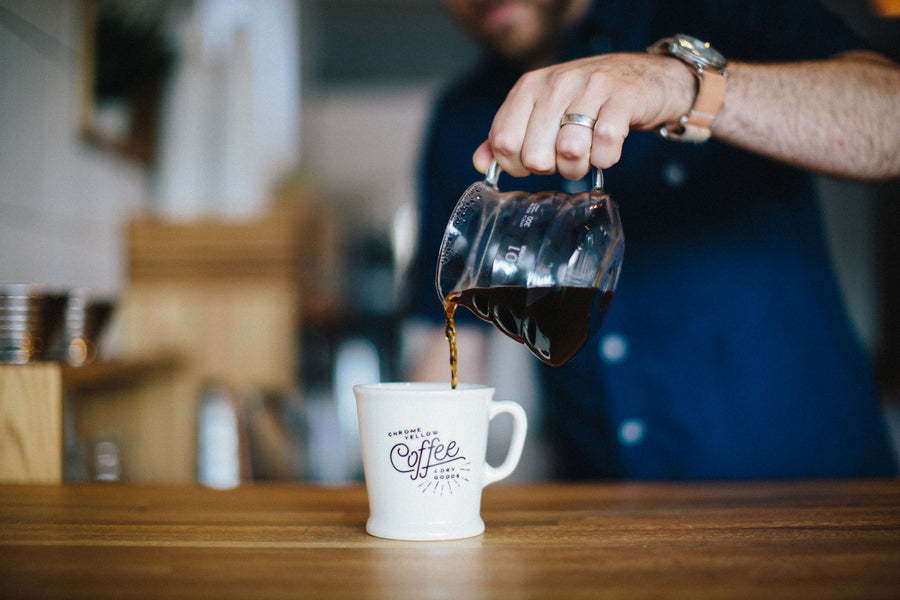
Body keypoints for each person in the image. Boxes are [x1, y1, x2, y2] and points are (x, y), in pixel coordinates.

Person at [405, 0, 900, 479]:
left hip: (814, 499)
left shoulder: (714, 9)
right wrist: (414, 484)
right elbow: (448, 332)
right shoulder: (463, 118)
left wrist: (683, 85)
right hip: (604, 517)